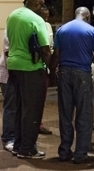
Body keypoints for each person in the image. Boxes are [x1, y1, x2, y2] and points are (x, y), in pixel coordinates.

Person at [49, 7, 94, 164]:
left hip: (64, 73)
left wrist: (52, 73)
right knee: (84, 114)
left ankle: (64, 151)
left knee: (65, 114)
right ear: (87, 16)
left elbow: (56, 54)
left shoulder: (62, 29)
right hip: (83, 74)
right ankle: (81, 153)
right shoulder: (91, 31)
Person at [6, 0, 51, 159]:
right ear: (37, 4)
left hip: (13, 66)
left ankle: (18, 145)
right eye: (42, 5)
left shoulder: (12, 15)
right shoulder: (36, 19)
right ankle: (28, 148)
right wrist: (49, 68)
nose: (43, 8)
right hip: (30, 68)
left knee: (19, 108)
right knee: (32, 110)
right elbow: (45, 49)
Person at [0, 29, 16, 152]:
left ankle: (15, 137)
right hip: (8, 76)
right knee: (11, 107)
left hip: (16, 75)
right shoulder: (9, 31)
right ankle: (8, 138)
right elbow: (9, 52)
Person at [38, 7, 53, 135]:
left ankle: (39, 123)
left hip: (46, 66)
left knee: (42, 97)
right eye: (43, 15)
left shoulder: (48, 26)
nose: (46, 18)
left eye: (47, 16)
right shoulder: (34, 24)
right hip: (36, 66)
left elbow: (50, 46)